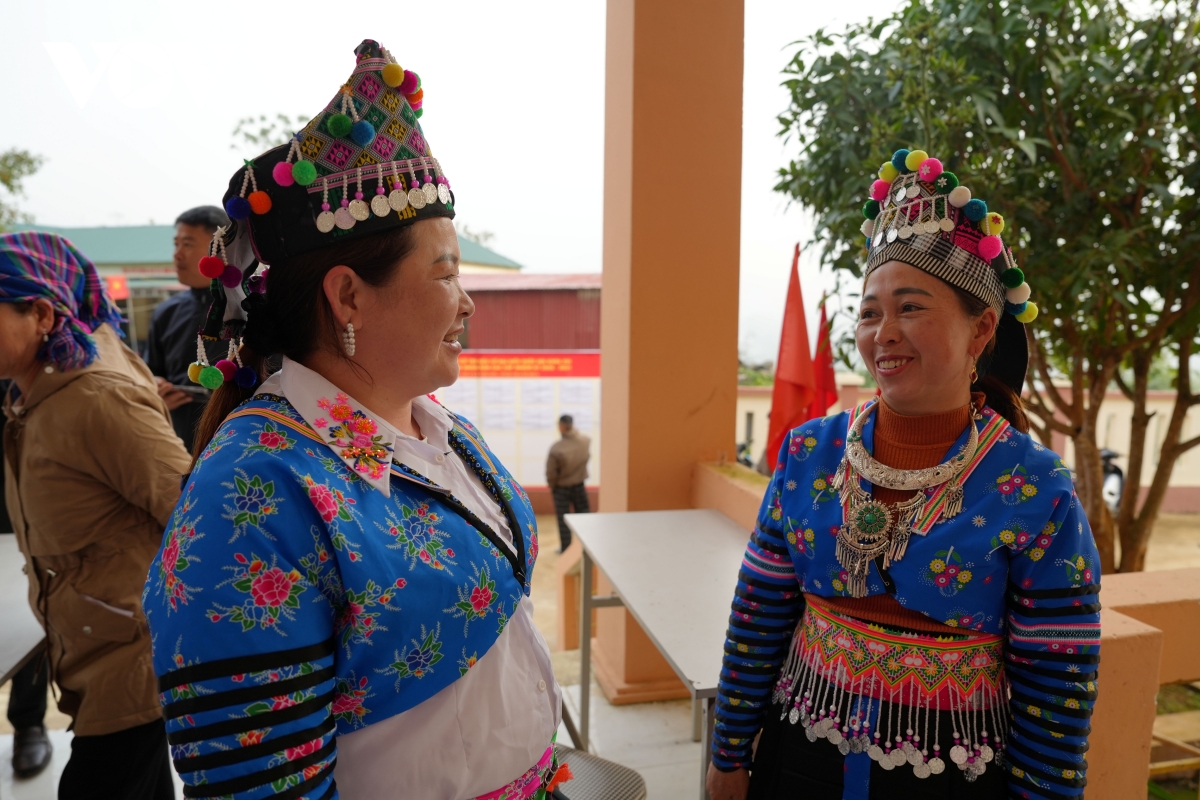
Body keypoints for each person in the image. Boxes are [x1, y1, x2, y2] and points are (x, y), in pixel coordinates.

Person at [143, 40, 570, 800]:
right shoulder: (253, 496)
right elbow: (259, 785)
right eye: (444, 273)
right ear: (348, 298)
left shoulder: (439, 429)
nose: (467, 302)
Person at [707, 147, 1100, 800]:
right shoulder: (809, 456)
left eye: (911, 307)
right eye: (868, 312)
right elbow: (758, 617)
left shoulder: (1037, 490)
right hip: (798, 765)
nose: (882, 332)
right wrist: (727, 757)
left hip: (952, 782)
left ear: (981, 333)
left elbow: (1057, 684)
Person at [0, 231, 192, 799]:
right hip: (91, 644)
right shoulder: (39, 381)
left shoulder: (95, 396)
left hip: (129, 655)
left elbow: (189, 515)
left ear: (39, 313)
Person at [146, 205, 230, 451]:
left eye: (188, 244)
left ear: (221, 248)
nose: (177, 254)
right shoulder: (166, 313)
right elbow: (149, 373)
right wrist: (155, 390)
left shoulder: (254, 309)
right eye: (176, 244)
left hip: (242, 444)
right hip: (180, 449)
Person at [546, 414, 591, 551]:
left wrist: (552, 485)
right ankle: (587, 546)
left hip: (561, 488)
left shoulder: (557, 448)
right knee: (584, 516)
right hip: (580, 485)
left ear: (561, 427)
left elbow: (551, 472)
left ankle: (566, 548)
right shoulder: (585, 441)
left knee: (563, 519)